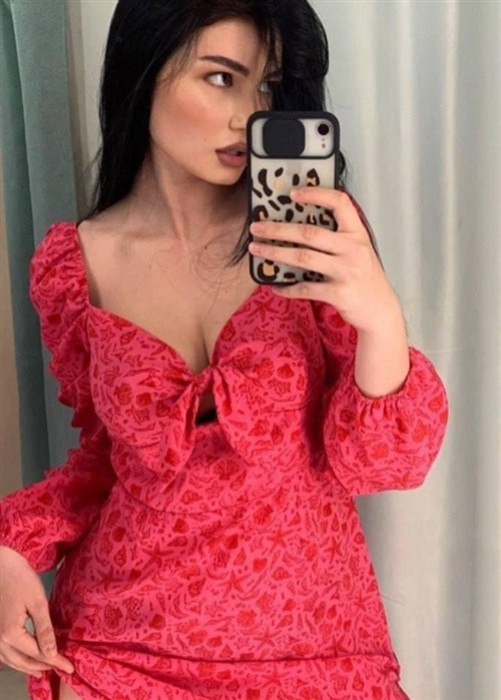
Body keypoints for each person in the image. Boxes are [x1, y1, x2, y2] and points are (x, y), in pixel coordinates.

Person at [0, 1, 449, 698]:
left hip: (316, 653)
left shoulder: (311, 240)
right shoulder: (76, 264)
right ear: (143, 70)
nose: (250, 115)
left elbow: (379, 464)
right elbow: (105, 461)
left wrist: (380, 320)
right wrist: (10, 548)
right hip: (120, 653)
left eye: (267, 85)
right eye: (221, 78)